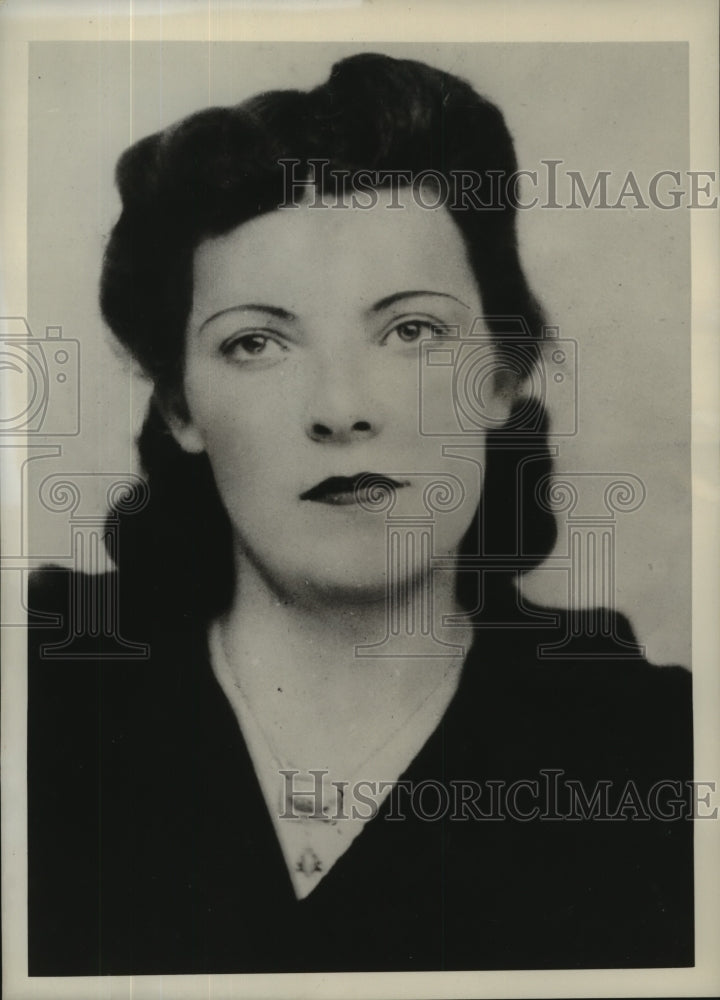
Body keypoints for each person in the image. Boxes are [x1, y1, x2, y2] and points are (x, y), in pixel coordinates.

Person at [27, 52, 693, 975]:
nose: (341, 409)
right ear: (180, 406)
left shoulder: (655, 752)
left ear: (500, 377)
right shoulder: (43, 709)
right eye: (256, 342)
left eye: (411, 330)